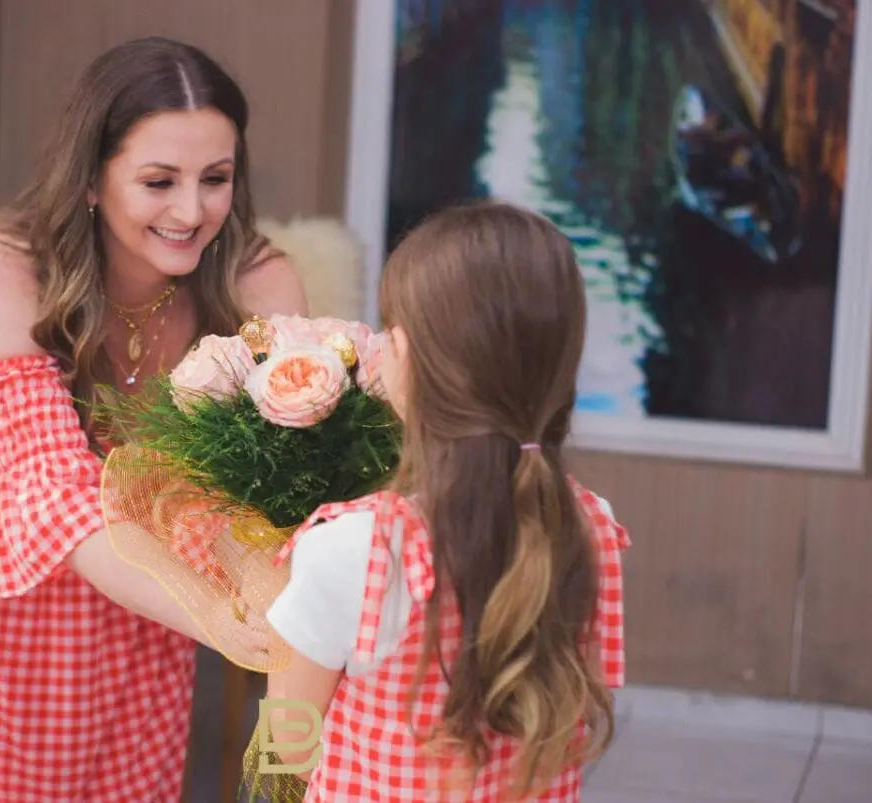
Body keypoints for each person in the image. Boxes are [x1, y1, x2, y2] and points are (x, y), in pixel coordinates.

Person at [0, 36, 308, 802]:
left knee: (125, 779)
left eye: (216, 179)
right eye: (158, 180)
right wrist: (225, 619)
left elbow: (276, 476)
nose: (191, 210)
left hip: (148, 584)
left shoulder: (255, 283)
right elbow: (54, 492)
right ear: (92, 182)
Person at [253, 201, 629, 801]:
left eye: (390, 332)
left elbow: (285, 752)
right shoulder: (594, 529)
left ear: (415, 366)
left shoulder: (356, 551)